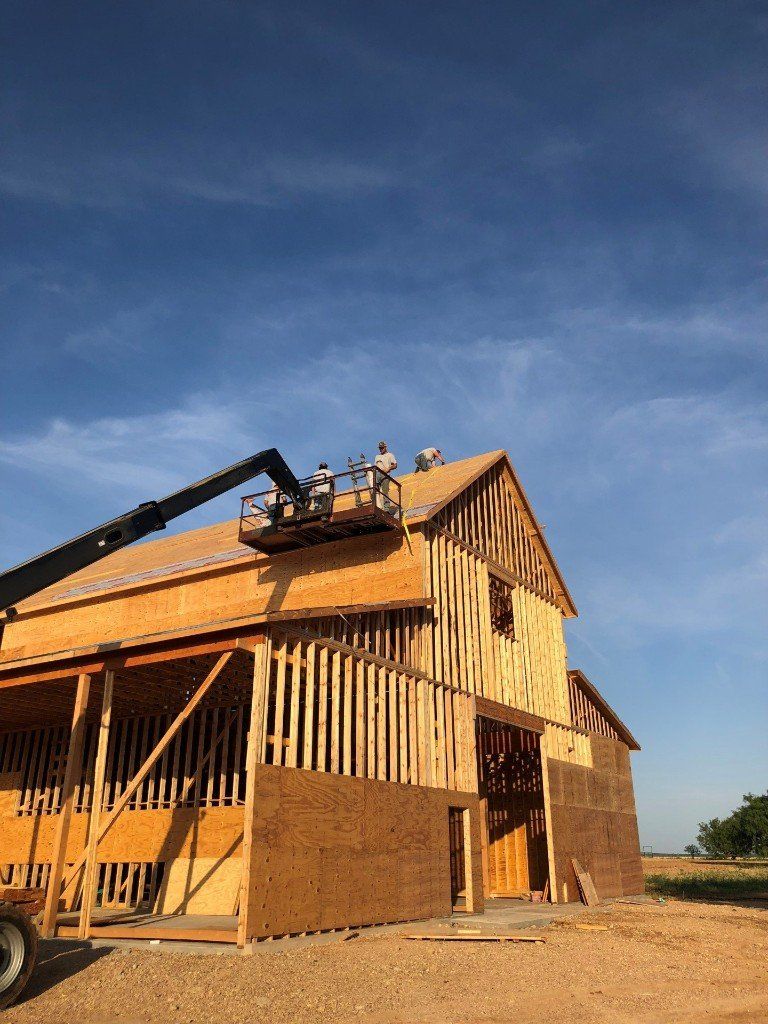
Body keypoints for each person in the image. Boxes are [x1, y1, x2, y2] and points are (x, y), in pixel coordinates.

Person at [374, 441, 397, 509]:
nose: (381, 449)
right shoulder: (377, 456)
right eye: (380, 448)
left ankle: (386, 507)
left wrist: (389, 468)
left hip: (385, 474)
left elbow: (395, 465)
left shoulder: (390, 455)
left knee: (385, 491)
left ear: (385, 447)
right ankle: (376, 505)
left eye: (382, 448)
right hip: (377, 473)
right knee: (374, 490)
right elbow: (375, 466)